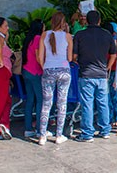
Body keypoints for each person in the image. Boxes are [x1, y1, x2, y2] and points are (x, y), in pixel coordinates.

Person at [73, 11, 116, 142]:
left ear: (86, 20)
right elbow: (113, 54)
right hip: (102, 75)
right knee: (103, 103)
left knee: (87, 104)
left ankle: (87, 133)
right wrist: (107, 67)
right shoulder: (107, 35)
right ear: (99, 20)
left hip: (86, 74)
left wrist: (79, 62)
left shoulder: (80, 35)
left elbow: (74, 56)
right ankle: (105, 130)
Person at [37, 12, 73, 145]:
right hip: (64, 70)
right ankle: (59, 135)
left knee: (46, 103)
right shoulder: (68, 36)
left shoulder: (45, 34)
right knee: (62, 104)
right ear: (63, 23)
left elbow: (40, 57)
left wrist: (45, 67)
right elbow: (69, 58)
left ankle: (42, 136)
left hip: (48, 69)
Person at [22, 19, 45, 138]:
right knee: (40, 100)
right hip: (35, 72)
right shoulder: (37, 38)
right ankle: (40, 129)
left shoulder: (28, 38)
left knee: (30, 100)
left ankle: (28, 128)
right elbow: (38, 57)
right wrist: (44, 68)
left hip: (26, 71)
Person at [105, 22, 117, 128]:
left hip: (108, 71)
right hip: (116, 72)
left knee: (107, 96)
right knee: (114, 95)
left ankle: (111, 118)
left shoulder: (105, 42)